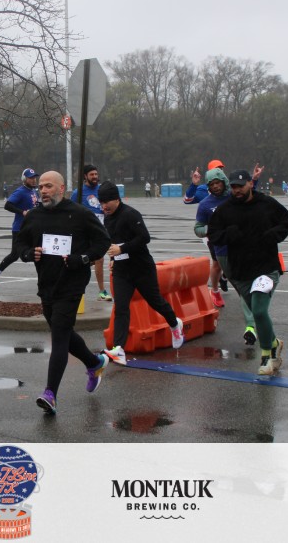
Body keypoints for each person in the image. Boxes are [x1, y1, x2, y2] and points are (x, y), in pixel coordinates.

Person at [17, 171, 112, 414]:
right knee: (64, 333)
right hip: (46, 285)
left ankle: (50, 394)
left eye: (48, 186)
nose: (43, 191)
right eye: (40, 187)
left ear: (61, 188)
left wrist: (83, 258)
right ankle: (94, 363)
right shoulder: (34, 216)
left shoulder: (80, 214)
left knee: (59, 336)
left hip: (72, 285)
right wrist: (28, 254)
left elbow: (103, 242)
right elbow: (20, 245)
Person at [207, 170, 288, 376]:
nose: (237, 190)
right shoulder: (225, 209)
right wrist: (227, 235)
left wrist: (273, 235)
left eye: (240, 186)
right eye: (234, 187)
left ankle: (266, 356)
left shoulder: (266, 204)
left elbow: (286, 222)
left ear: (250, 184)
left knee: (260, 311)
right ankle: (274, 343)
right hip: (240, 270)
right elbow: (213, 235)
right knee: (257, 313)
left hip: (266, 268)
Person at [99, 181, 184, 366]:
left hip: (142, 268)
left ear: (117, 199)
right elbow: (113, 243)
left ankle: (174, 324)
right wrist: (113, 259)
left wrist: (122, 249)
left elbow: (144, 237)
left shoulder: (130, 214)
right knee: (121, 307)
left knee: (155, 301)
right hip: (122, 271)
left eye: (107, 202)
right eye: (101, 202)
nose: (104, 206)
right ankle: (119, 349)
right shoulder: (107, 218)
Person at [194, 168, 258, 343]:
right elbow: (197, 228)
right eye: (212, 184)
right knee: (241, 288)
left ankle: (251, 325)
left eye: (218, 183)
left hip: (243, 248)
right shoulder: (205, 205)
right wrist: (211, 229)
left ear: (224, 181)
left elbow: (253, 198)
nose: (215, 186)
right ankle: (254, 320)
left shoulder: (235, 196)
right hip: (222, 252)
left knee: (247, 286)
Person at [0, 168, 39, 286]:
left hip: (32, 228)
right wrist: (22, 212)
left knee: (37, 252)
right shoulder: (20, 192)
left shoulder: (34, 191)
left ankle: (43, 278)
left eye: (34, 178)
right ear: (24, 179)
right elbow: (7, 205)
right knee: (15, 255)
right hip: (19, 229)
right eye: (30, 178)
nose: (33, 180)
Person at [70, 164, 112, 301]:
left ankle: (102, 291)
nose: (95, 177)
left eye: (96, 174)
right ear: (85, 176)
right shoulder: (78, 193)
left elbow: (109, 207)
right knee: (91, 260)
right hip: (86, 231)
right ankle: (80, 290)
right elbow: (71, 210)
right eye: (92, 174)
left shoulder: (102, 190)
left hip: (102, 230)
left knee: (99, 259)